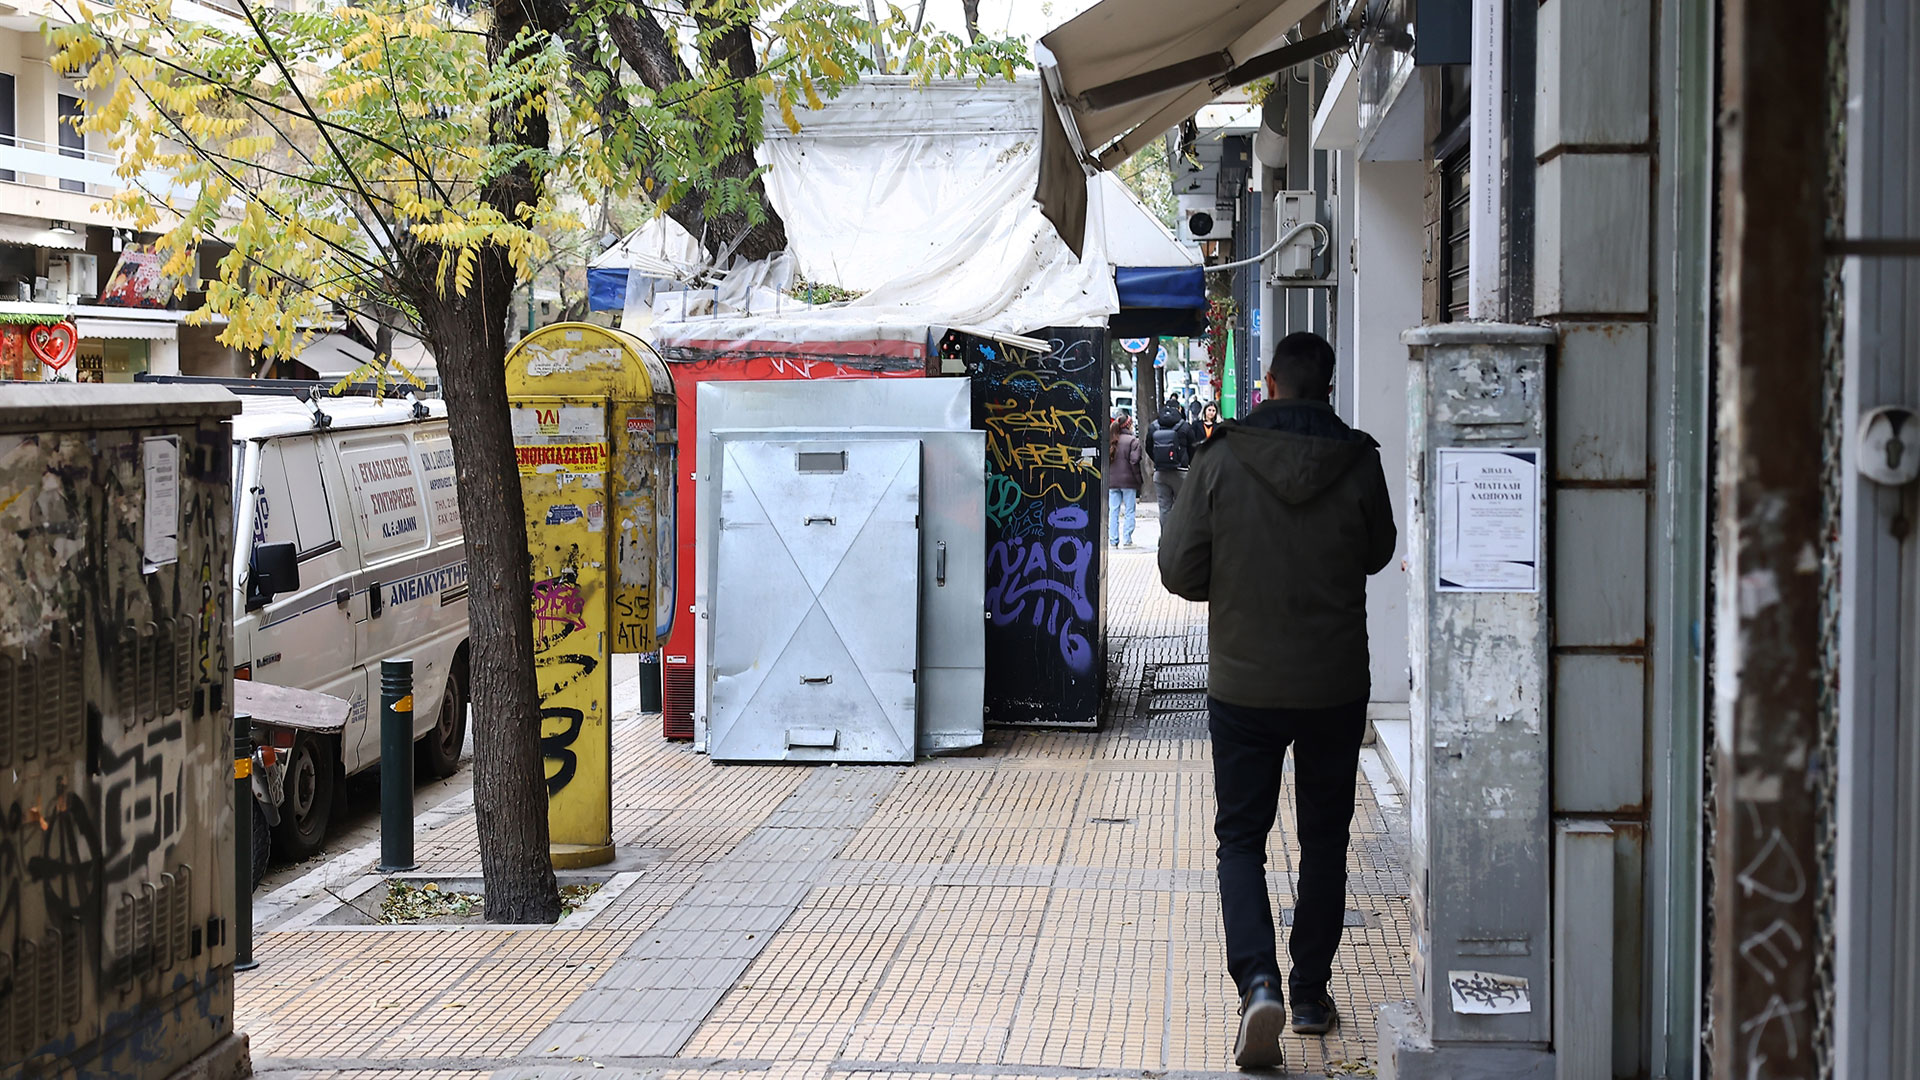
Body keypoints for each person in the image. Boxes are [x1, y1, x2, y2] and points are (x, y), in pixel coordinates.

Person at [1157, 332, 1396, 1070]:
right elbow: (1379, 552)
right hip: (1333, 685)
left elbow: (1175, 569)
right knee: (1325, 841)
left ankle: (1257, 981)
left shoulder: (1222, 458)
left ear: (1268, 382)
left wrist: (1229, 585)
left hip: (1245, 685)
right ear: (1328, 384)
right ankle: (1313, 994)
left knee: (1241, 841)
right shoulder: (1359, 461)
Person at [1146, 399, 1196, 516]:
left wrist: (1159, 460)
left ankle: (1166, 534)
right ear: (1179, 409)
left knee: (1164, 509)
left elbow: (1148, 447)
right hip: (1181, 472)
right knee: (1183, 507)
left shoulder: (1154, 426)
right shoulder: (1185, 426)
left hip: (1160, 472)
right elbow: (1193, 448)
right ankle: (1180, 534)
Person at [1106, 414, 1144, 548]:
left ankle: (1113, 540)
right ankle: (1127, 539)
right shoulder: (1133, 441)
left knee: (1113, 511)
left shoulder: (1110, 440)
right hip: (1128, 481)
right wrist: (1138, 480)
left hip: (1112, 482)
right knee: (1129, 510)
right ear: (1128, 425)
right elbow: (1134, 462)